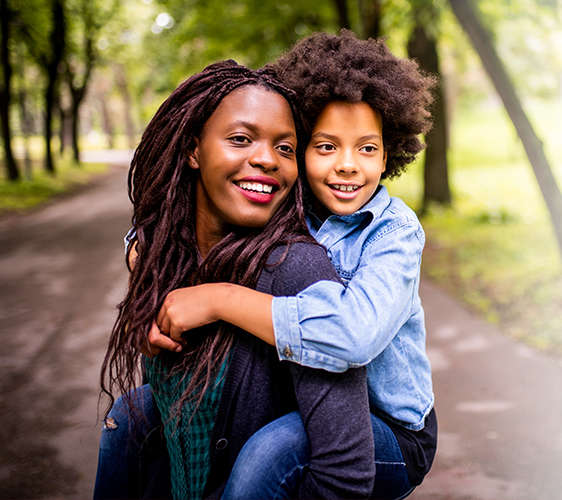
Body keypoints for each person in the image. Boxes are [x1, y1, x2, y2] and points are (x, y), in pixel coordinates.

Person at [147, 32, 438, 499]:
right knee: (141, 419)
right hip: (311, 403)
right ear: (300, 151)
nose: (347, 165)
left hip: (392, 431)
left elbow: (354, 334)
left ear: (388, 156)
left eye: (367, 148)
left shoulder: (394, 233)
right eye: (326, 147)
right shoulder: (288, 208)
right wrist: (144, 266)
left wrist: (219, 299)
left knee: (276, 448)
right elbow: (186, 226)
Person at [95, 60, 374, 499]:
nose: (266, 159)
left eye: (285, 148)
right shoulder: (167, 255)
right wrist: (143, 302)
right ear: (193, 150)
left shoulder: (296, 271)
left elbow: (346, 474)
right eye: (241, 139)